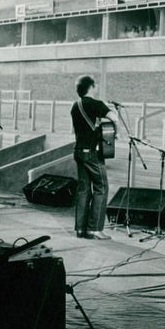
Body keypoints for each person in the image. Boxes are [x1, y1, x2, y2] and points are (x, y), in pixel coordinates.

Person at [71, 75, 118, 240]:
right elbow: (114, 118)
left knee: (84, 190)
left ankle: (80, 229)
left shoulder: (75, 106)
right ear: (91, 87)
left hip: (78, 151)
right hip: (92, 153)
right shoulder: (95, 104)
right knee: (101, 187)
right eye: (95, 85)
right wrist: (114, 125)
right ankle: (95, 229)